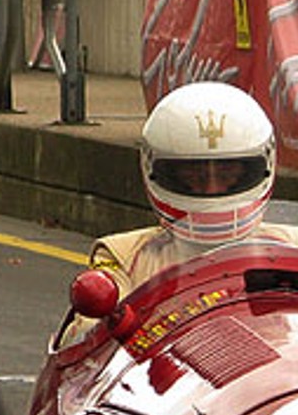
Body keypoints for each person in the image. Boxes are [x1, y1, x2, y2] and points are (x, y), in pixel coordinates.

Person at [86, 81, 284, 297]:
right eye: (194, 175)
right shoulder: (122, 256)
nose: (211, 188)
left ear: (264, 165)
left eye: (227, 174)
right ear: (155, 169)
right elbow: (94, 312)